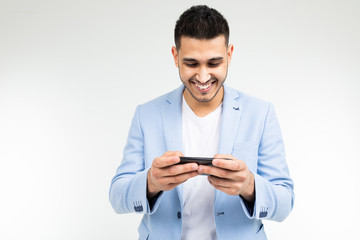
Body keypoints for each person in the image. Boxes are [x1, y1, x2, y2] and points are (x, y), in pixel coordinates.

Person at [109, 5, 294, 240]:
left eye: (214, 63)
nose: (203, 77)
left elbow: (285, 202)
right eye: (192, 64)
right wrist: (150, 182)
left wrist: (249, 186)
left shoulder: (260, 113)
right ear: (176, 57)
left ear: (229, 54)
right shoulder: (147, 114)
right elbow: (117, 196)